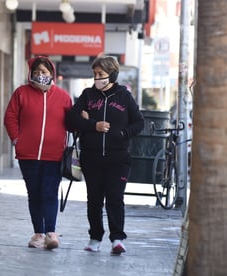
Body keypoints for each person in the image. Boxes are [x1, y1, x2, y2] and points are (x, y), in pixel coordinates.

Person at [65, 55, 144, 255]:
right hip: (91, 158)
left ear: (112, 75)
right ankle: (95, 238)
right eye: (95, 74)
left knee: (115, 198)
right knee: (94, 200)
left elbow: (138, 122)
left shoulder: (124, 96)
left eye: (101, 74)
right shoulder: (88, 95)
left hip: (118, 159)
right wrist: (93, 124)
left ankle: (117, 239)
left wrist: (123, 133)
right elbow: (71, 119)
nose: (97, 78)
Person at [4, 56, 72, 249]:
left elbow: (72, 122)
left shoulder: (63, 97)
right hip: (28, 155)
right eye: (36, 72)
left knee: (49, 193)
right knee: (34, 193)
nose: (40, 75)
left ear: (51, 74)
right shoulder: (21, 93)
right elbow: (10, 117)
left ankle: (51, 232)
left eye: (44, 72)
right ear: (30, 74)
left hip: (54, 155)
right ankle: (38, 234)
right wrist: (17, 140)